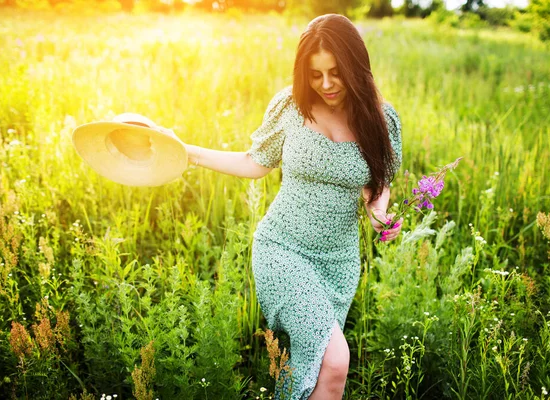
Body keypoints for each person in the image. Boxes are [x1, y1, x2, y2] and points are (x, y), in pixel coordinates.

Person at [164, 13, 403, 400]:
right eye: (315, 74)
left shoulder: (381, 119)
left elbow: (379, 183)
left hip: (338, 265)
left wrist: (379, 216)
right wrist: (186, 151)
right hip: (282, 250)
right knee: (337, 359)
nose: (326, 84)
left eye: (336, 72)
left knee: (319, 368)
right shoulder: (291, 108)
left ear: (356, 67)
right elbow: (253, 162)